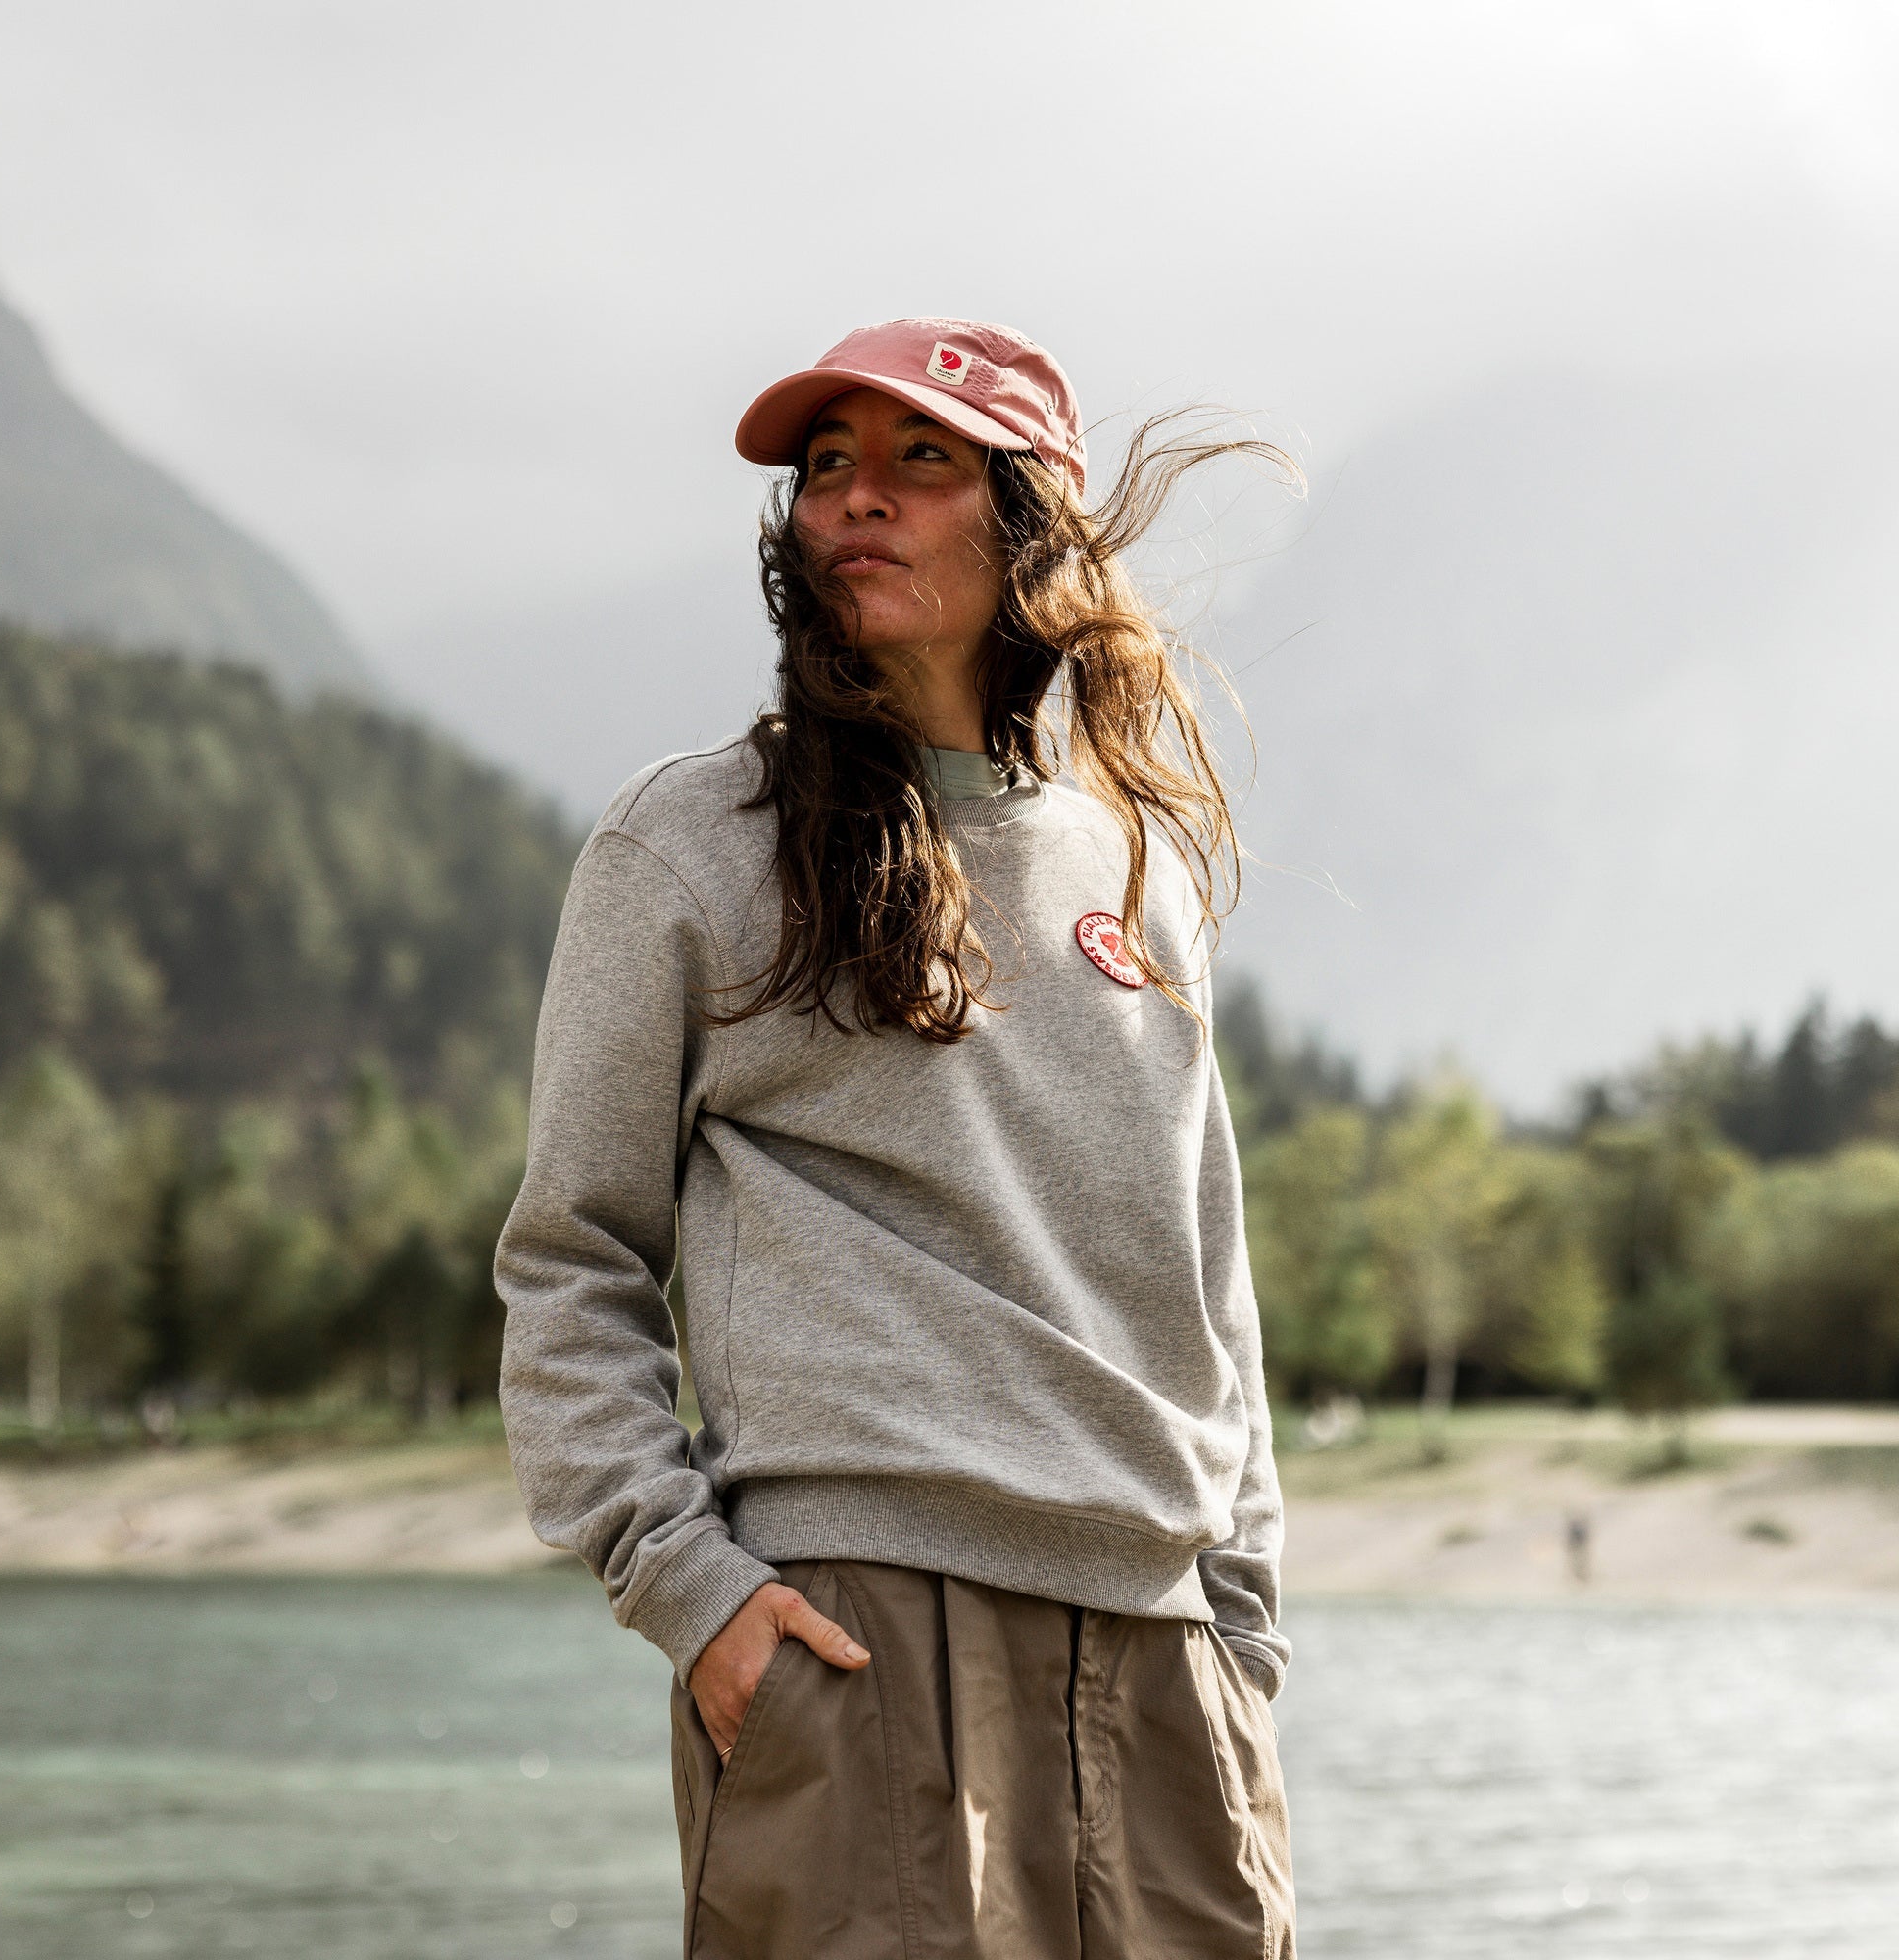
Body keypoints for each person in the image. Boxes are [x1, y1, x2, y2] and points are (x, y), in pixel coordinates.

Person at [496, 317, 1299, 1958]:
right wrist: (697, 1595)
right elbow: (571, 1262)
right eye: (828, 465)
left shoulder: (1135, 875)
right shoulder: (689, 844)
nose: (856, 497)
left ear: (1029, 524)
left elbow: (1213, 1289)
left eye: (920, 459)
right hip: (859, 1636)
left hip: (1165, 1658)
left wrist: (1241, 1632)